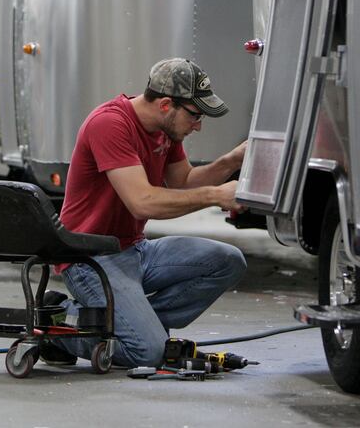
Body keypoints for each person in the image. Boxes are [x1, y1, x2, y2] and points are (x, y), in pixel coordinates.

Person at [48, 58, 248, 368]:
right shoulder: (110, 124)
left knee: (228, 261)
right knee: (149, 353)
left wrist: (232, 160)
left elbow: (181, 182)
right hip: (90, 259)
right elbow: (142, 202)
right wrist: (214, 195)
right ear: (166, 104)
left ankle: (135, 326)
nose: (199, 125)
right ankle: (59, 321)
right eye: (195, 115)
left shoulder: (165, 130)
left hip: (135, 250)